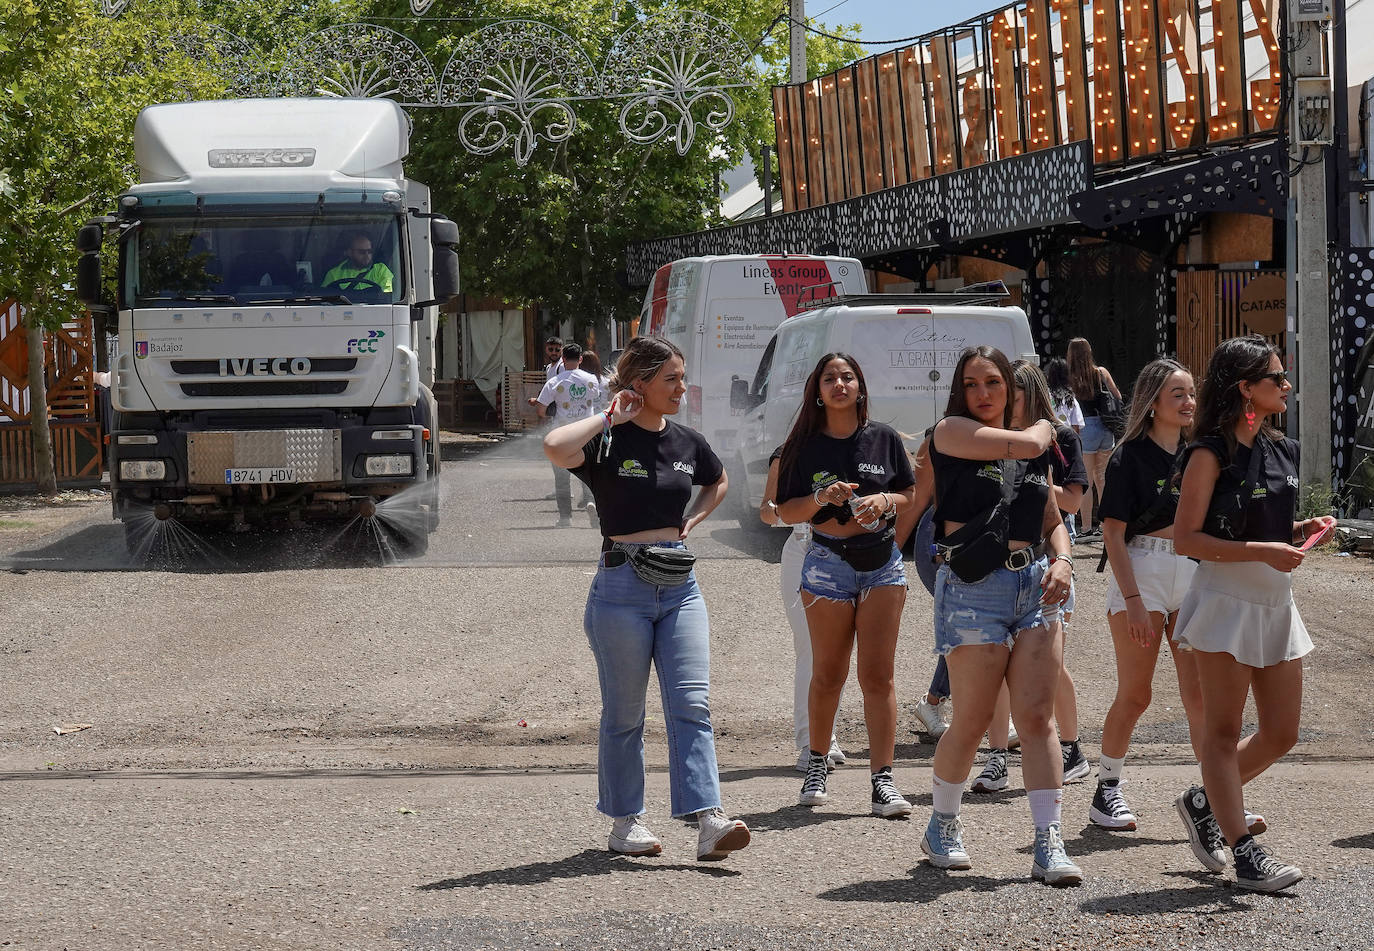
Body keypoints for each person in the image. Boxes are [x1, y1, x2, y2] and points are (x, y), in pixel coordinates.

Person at [542, 336, 750, 861]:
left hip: (681, 590)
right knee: (625, 713)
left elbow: (718, 480)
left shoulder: (686, 441)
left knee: (692, 706)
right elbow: (555, 447)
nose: (682, 388)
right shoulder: (608, 441)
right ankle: (625, 821)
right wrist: (608, 417)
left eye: (682, 377)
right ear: (641, 385)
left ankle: (709, 820)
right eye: (672, 379)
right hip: (620, 590)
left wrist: (694, 521)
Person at [1170, 335, 1334, 892]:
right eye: (1276, 379)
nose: (1287, 386)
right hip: (1224, 601)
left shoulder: (1283, 449)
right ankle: (1243, 852)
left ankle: (1203, 801)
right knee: (1221, 732)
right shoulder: (1208, 451)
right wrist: (1265, 551)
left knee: (1282, 732)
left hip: (1273, 603)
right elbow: (1187, 539)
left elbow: (1258, 528)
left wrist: (1295, 533)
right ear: (1246, 389)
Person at [919, 345, 1080, 886]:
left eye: (993, 382)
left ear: (1010, 387)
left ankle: (1048, 841)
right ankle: (942, 823)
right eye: (972, 384)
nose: (982, 393)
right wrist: (1041, 424)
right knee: (972, 718)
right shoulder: (951, 432)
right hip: (972, 589)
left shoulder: (1027, 445)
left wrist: (1062, 559)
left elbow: (1053, 518)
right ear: (959, 393)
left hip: (1034, 585)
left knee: (1036, 718)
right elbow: (1036, 438)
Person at [774, 353, 916, 818]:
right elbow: (785, 511)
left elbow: (910, 494)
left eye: (848, 377)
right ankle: (817, 765)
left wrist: (883, 500)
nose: (840, 384)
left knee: (878, 677)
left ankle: (883, 782)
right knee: (828, 673)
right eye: (830, 378)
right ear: (818, 390)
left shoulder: (884, 439)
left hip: (881, 566)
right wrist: (819, 498)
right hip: (825, 564)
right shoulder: (803, 447)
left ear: (860, 388)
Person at [1089, 358, 1207, 832]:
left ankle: (1215, 796)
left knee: (1200, 697)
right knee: (1136, 694)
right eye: (1177, 393)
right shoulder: (1127, 456)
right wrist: (1134, 600)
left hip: (1192, 572)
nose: (1188, 402)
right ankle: (1106, 790)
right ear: (1153, 401)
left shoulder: (1199, 453)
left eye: (1191, 393)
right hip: (1142, 570)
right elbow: (1112, 534)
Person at [970, 362, 1089, 794]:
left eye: (1010, 394)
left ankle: (1073, 749)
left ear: (1030, 395)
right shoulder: (989, 439)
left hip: (1047, 560)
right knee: (999, 668)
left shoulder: (1062, 438)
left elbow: (1073, 502)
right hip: (994, 565)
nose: (999, 402)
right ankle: (997, 758)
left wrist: (1030, 477)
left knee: (1051, 668)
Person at [759, 452, 846, 772]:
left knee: (835, 650)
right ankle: (811, 742)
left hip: (848, 550)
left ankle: (826, 736)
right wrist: (795, 513)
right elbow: (766, 512)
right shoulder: (787, 453)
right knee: (811, 645)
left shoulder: (858, 444)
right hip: (802, 548)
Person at [534, 344, 600, 526]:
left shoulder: (555, 382)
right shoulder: (591, 379)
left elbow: (541, 410)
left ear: (563, 359)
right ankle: (590, 502)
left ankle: (565, 518)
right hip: (587, 433)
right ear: (580, 359)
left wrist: (556, 409)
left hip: (562, 435)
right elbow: (596, 398)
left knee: (562, 477)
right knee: (588, 474)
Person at [1067, 338, 1122, 537]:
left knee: (1086, 482)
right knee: (1103, 480)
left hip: (1084, 427)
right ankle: (1108, 525)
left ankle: (1087, 528)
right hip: (1105, 427)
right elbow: (1117, 396)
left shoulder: (1069, 376)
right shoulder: (1100, 372)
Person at [321, 232, 394, 293]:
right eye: (362, 252)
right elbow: (325, 300)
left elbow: (386, 297)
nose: (367, 256)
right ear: (349, 252)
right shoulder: (333, 274)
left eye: (369, 251)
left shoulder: (380, 270)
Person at [1045, 357, 1084, 433]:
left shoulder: (1044, 395)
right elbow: (1076, 425)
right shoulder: (1070, 399)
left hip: (1049, 436)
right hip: (1066, 437)